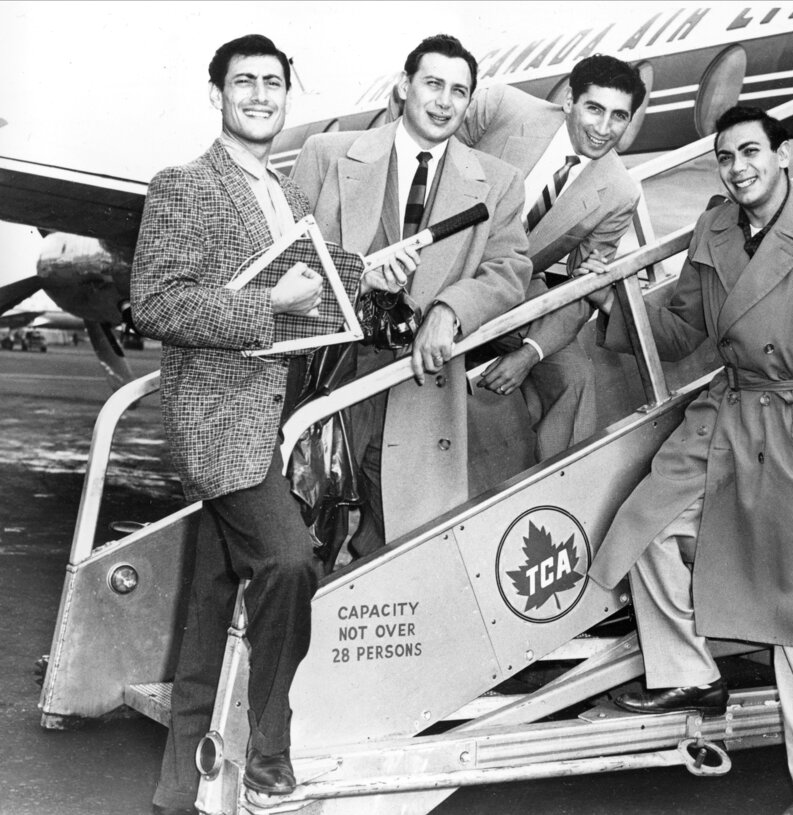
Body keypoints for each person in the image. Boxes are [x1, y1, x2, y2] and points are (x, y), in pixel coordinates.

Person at [586, 106, 793, 815]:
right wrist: (612, 300)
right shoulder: (715, 228)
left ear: (783, 155)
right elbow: (683, 325)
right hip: (732, 412)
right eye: (726, 157)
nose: (739, 167)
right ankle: (690, 672)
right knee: (647, 523)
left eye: (751, 151)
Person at [132, 35, 372, 815]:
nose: (261, 96)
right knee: (289, 562)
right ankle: (270, 744)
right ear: (217, 94)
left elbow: (312, 284)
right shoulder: (184, 185)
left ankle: (177, 791)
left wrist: (368, 269)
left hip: (277, 421)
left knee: (210, 604)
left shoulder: (289, 197)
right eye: (245, 83)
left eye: (273, 83)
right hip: (223, 424)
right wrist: (270, 305)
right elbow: (158, 304)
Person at [292, 34, 532, 558]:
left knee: (398, 543)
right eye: (433, 84)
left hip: (419, 382)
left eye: (459, 91)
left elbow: (511, 268)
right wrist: (357, 274)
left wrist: (450, 310)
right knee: (302, 534)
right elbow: (288, 259)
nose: (445, 101)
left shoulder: (497, 181)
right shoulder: (327, 156)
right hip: (330, 373)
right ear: (404, 86)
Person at [456, 54, 645, 462]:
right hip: (436, 259)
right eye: (594, 109)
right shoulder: (501, 107)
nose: (603, 128)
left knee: (574, 376)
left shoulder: (619, 192)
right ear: (570, 101)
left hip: (512, 286)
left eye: (619, 116)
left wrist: (530, 354)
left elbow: (582, 287)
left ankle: (560, 493)